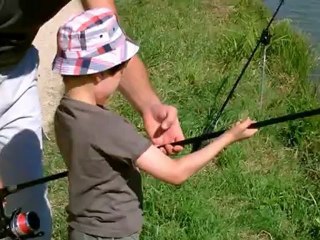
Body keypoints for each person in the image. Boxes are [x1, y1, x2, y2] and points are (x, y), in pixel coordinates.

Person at [53, 8, 258, 240]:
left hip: (82, 230)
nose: (121, 78)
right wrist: (230, 136)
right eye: (120, 72)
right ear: (98, 74)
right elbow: (175, 173)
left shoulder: (64, 113)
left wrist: (140, 153)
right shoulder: (106, 126)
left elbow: (99, 160)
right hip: (111, 234)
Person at [0, 0, 184, 239]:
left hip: (14, 68)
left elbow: (107, 35)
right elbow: (176, 173)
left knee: (31, 217)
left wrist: (149, 106)